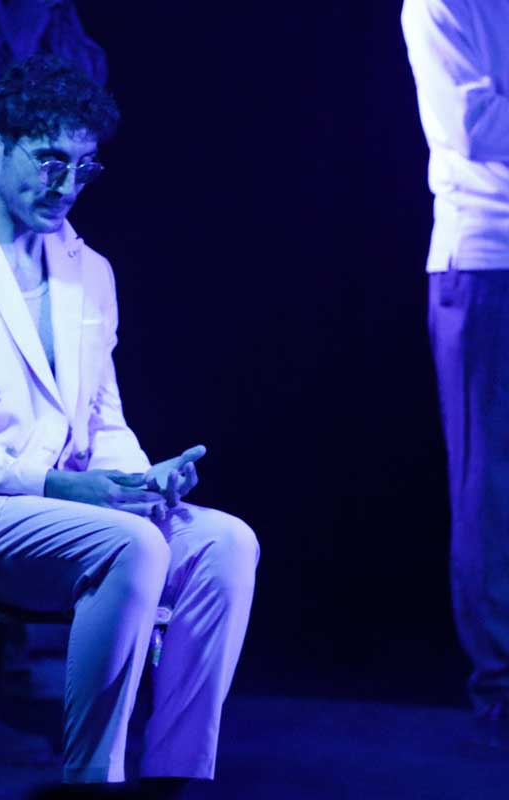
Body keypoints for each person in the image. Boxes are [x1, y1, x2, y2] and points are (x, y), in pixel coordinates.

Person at [0, 55, 259, 795]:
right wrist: (66, 489)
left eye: (82, 167)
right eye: (49, 161)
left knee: (227, 542)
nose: (66, 185)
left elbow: (102, 419)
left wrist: (143, 480)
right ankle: (89, 783)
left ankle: (171, 780)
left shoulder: (88, 269)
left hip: (60, 513)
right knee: (132, 545)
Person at [401, 0, 509, 749]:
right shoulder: (440, 3)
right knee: (491, 489)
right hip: (487, 259)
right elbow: (478, 126)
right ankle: (501, 690)